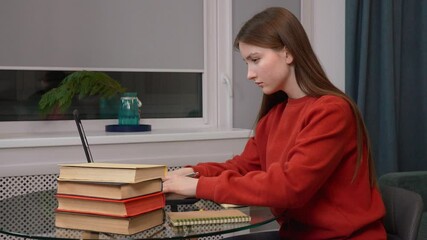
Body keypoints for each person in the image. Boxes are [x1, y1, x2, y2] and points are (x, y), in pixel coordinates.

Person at [163, 7, 386, 239]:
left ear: (288, 53)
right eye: (246, 62)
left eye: (255, 60)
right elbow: (243, 167)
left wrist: (198, 187)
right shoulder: (275, 115)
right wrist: (193, 173)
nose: (249, 74)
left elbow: (289, 187)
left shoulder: (332, 111)